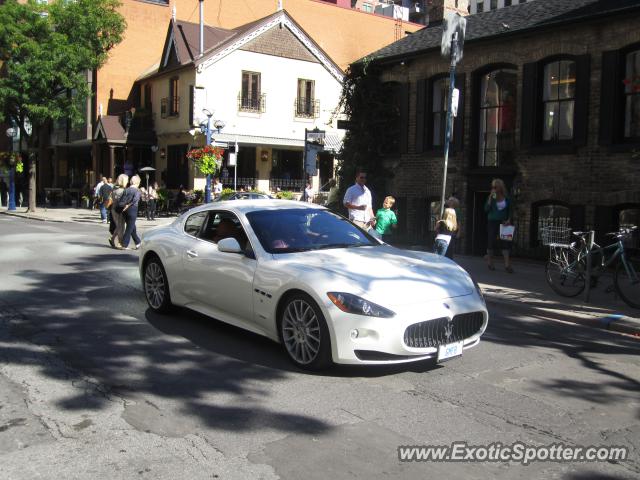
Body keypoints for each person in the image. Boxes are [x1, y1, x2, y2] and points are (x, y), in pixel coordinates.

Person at [484, 178, 514, 273]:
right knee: (491, 240)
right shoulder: (492, 198)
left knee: (505, 242)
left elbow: (510, 210)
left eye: (495, 187)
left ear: (500, 187)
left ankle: (507, 265)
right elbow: (486, 209)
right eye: (492, 187)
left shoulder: (507, 198)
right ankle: (490, 262)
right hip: (492, 221)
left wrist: (509, 220)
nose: (494, 188)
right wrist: (489, 198)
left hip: (504, 222)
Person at [121, 175, 142, 250]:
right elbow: (135, 200)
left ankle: (138, 242)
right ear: (137, 182)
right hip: (132, 209)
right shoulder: (137, 191)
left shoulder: (126, 190)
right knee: (130, 228)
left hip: (124, 210)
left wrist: (125, 206)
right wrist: (128, 205)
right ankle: (124, 244)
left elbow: (122, 199)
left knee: (132, 227)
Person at [109, 174, 129, 249]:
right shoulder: (122, 190)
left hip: (114, 209)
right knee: (121, 226)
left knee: (119, 226)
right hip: (119, 210)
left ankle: (113, 239)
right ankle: (120, 242)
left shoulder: (114, 188)